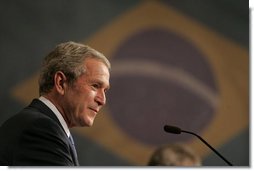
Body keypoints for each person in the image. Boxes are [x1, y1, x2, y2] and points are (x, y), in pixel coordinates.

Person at [0, 41, 111, 166]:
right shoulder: (40, 129)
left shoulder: (47, 127)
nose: (102, 100)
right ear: (61, 83)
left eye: (105, 90)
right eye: (95, 86)